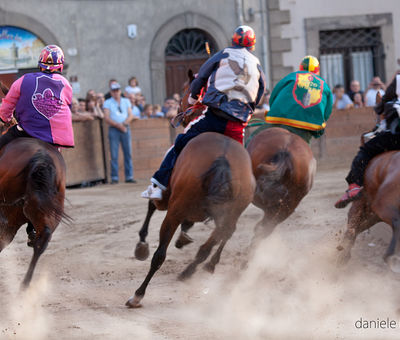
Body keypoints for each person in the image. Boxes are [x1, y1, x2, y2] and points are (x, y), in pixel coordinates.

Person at [141, 25, 266, 200]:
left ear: (234, 40)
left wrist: (192, 99)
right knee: (241, 160)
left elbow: (200, 78)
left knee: (180, 143)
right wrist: (248, 111)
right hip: (237, 124)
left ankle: (158, 186)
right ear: (251, 45)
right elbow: (260, 91)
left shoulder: (223, 54)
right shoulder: (258, 64)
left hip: (214, 117)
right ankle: (246, 192)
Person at [0, 44, 74, 244]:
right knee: (50, 175)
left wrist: (6, 118)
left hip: (26, 132)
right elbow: (67, 108)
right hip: (52, 141)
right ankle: (35, 226)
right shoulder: (66, 85)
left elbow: (6, 107)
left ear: (40, 63)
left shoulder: (23, 81)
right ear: (60, 66)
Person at [335, 72, 400, 208]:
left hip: (396, 136)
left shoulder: (398, 81)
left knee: (365, 150)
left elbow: (382, 105)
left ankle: (354, 186)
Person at [263, 55, 333, 144]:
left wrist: (273, 111)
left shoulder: (291, 76)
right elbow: (327, 111)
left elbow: (274, 94)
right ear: (317, 70)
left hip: (282, 120)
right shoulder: (323, 84)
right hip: (308, 125)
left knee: (255, 137)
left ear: (301, 67)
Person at [103, 82, 138, 184]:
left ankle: (129, 176)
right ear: (111, 92)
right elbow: (106, 117)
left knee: (128, 153)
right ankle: (114, 177)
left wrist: (123, 124)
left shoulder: (126, 101)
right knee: (114, 154)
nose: (116, 92)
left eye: (117, 90)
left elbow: (130, 115)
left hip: (124, 127)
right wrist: (120, 126)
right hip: (115, 128)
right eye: (114, 91)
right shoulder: (107, 102)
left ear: (120, 91)